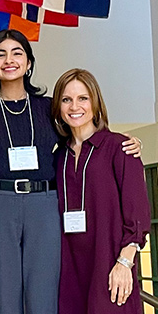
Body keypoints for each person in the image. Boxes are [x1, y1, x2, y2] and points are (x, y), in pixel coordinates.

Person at [0, 30, 141, 314]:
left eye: (17, 53)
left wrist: (127, 141)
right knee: (3, 299)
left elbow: (84, 132)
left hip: (43, 206)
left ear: (29, 63)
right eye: (0, 54)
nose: (9, 60)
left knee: (46, 296)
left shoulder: (48, 109)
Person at [51, 69, 149, 314]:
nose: (75, 106)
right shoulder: (56, 157)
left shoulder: (120, 147)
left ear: (95, 102)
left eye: (83, 98)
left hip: (109, 264)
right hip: (68, 271)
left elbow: (137, 213)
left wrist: (125, 263)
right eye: (66, 99)